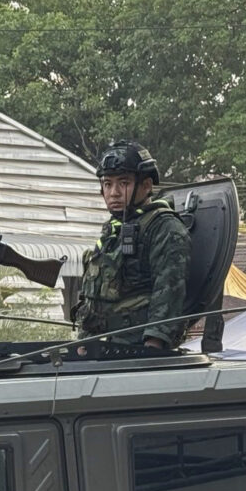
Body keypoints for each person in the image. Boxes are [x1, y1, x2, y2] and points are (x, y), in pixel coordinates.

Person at [74, 140, 192, 349]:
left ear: (146, 185)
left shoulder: (165, 228)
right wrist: (83, 345)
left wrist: (151, 349)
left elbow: (168, 294)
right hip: (102, 348)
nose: (114, 193)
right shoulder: (114, 229)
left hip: (136, 351)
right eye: (107, 184)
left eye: (124, 183)